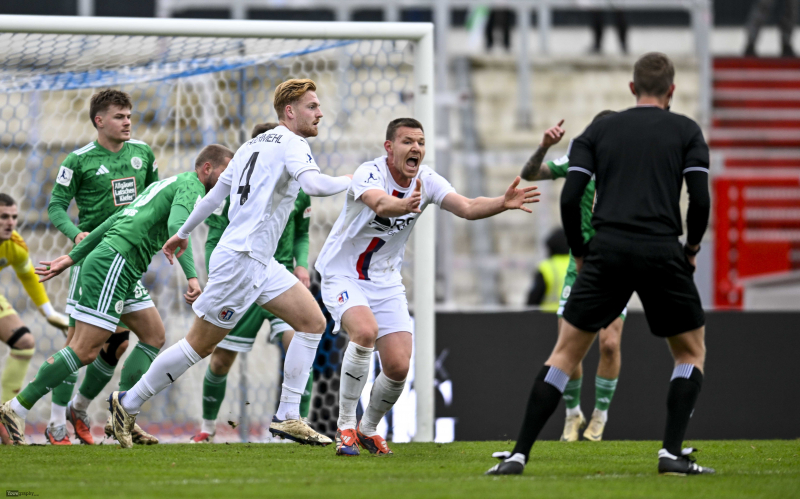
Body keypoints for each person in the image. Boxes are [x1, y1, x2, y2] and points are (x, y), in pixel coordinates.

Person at [488, 52, 714, 476]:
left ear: (632, 88)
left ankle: (519, 454)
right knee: (690, 353)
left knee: (564, 354)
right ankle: (670, 453)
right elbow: (700, 199)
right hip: (662, 247)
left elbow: (570, 197)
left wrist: (579, 250)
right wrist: (691, 250)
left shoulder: (601, 129)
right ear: (672, 90)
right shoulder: (686, 130)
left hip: (607, 249)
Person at [109, 78, 351, 449]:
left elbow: (210, 200)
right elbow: (316, 186)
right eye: (312, 106)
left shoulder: (249, 146)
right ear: (290, 111)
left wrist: (184, 233)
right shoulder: (292, 143)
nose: (319, 113)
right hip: (241, 260)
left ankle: (288, 415)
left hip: (258, 259)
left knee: (312, 322)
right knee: (198, 347)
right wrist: (352, 181)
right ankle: (127, 402)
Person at [316, 117, 540, 457]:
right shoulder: (369, 173)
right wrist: (402, 205)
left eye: (420, 142)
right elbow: (379, 203)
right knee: (364, 332)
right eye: (407, 141)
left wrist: (501, 202)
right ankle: (345, 426)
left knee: (398, 365)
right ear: (389, 147)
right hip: (343, 273)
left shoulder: (427, 179)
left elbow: (465, 207)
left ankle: (368, 429)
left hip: (385, 279)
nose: (416, 148)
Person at [0, 144, 233, 445]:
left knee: (153, 336)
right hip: (115, 261)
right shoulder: (192, 186)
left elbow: (114, 220)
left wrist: (72, 257)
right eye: (227, 172)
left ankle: (123, 412)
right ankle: (16, 408)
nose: (229, 179)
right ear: (207, 169)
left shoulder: (167, 183)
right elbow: (178, 228)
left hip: (121, 264)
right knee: (84, 349)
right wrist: (192, 277)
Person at [46, 89, 160, 445]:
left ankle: (80, 409)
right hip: (94, 259)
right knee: (79, 346)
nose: (127, 122)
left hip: (128, 262)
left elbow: (157, 201)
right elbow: (55, 206)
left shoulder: (142, 153)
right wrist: (76, 235)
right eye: (119, 116)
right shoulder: (78, 160)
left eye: (129, 115)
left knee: (120, 345)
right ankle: (54, 423)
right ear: (99, 121)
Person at [190, 122, 316, 444]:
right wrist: (211, 278)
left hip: (279, 277)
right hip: (243, 276)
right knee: (218, 358)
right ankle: (207, 429)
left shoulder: (297, 187)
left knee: (302, 339)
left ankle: (293, 424)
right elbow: (214, 237)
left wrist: (301, 265)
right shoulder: (240, 191)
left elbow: (301, 233)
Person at [521, 115, 626, 442]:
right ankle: (572, 414)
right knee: (571, 347)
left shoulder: (630, 165)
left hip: (616, 263)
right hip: (579, 263)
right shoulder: (581, 159)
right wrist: (544, 147)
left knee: (609, 344)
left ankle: (600, 416)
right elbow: (530, 174)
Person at [0, 194, 68, 444]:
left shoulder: (14, 245)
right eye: (3, 217)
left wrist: (50, 314)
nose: (10, 222)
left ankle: (6, 419)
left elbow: (29, 276)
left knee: (24, 342)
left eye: (14, 217)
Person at [526, 229, 570, 311]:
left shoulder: (546, 267)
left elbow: (533, 300)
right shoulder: (582, 264)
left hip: (549, 318)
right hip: (577, 318)